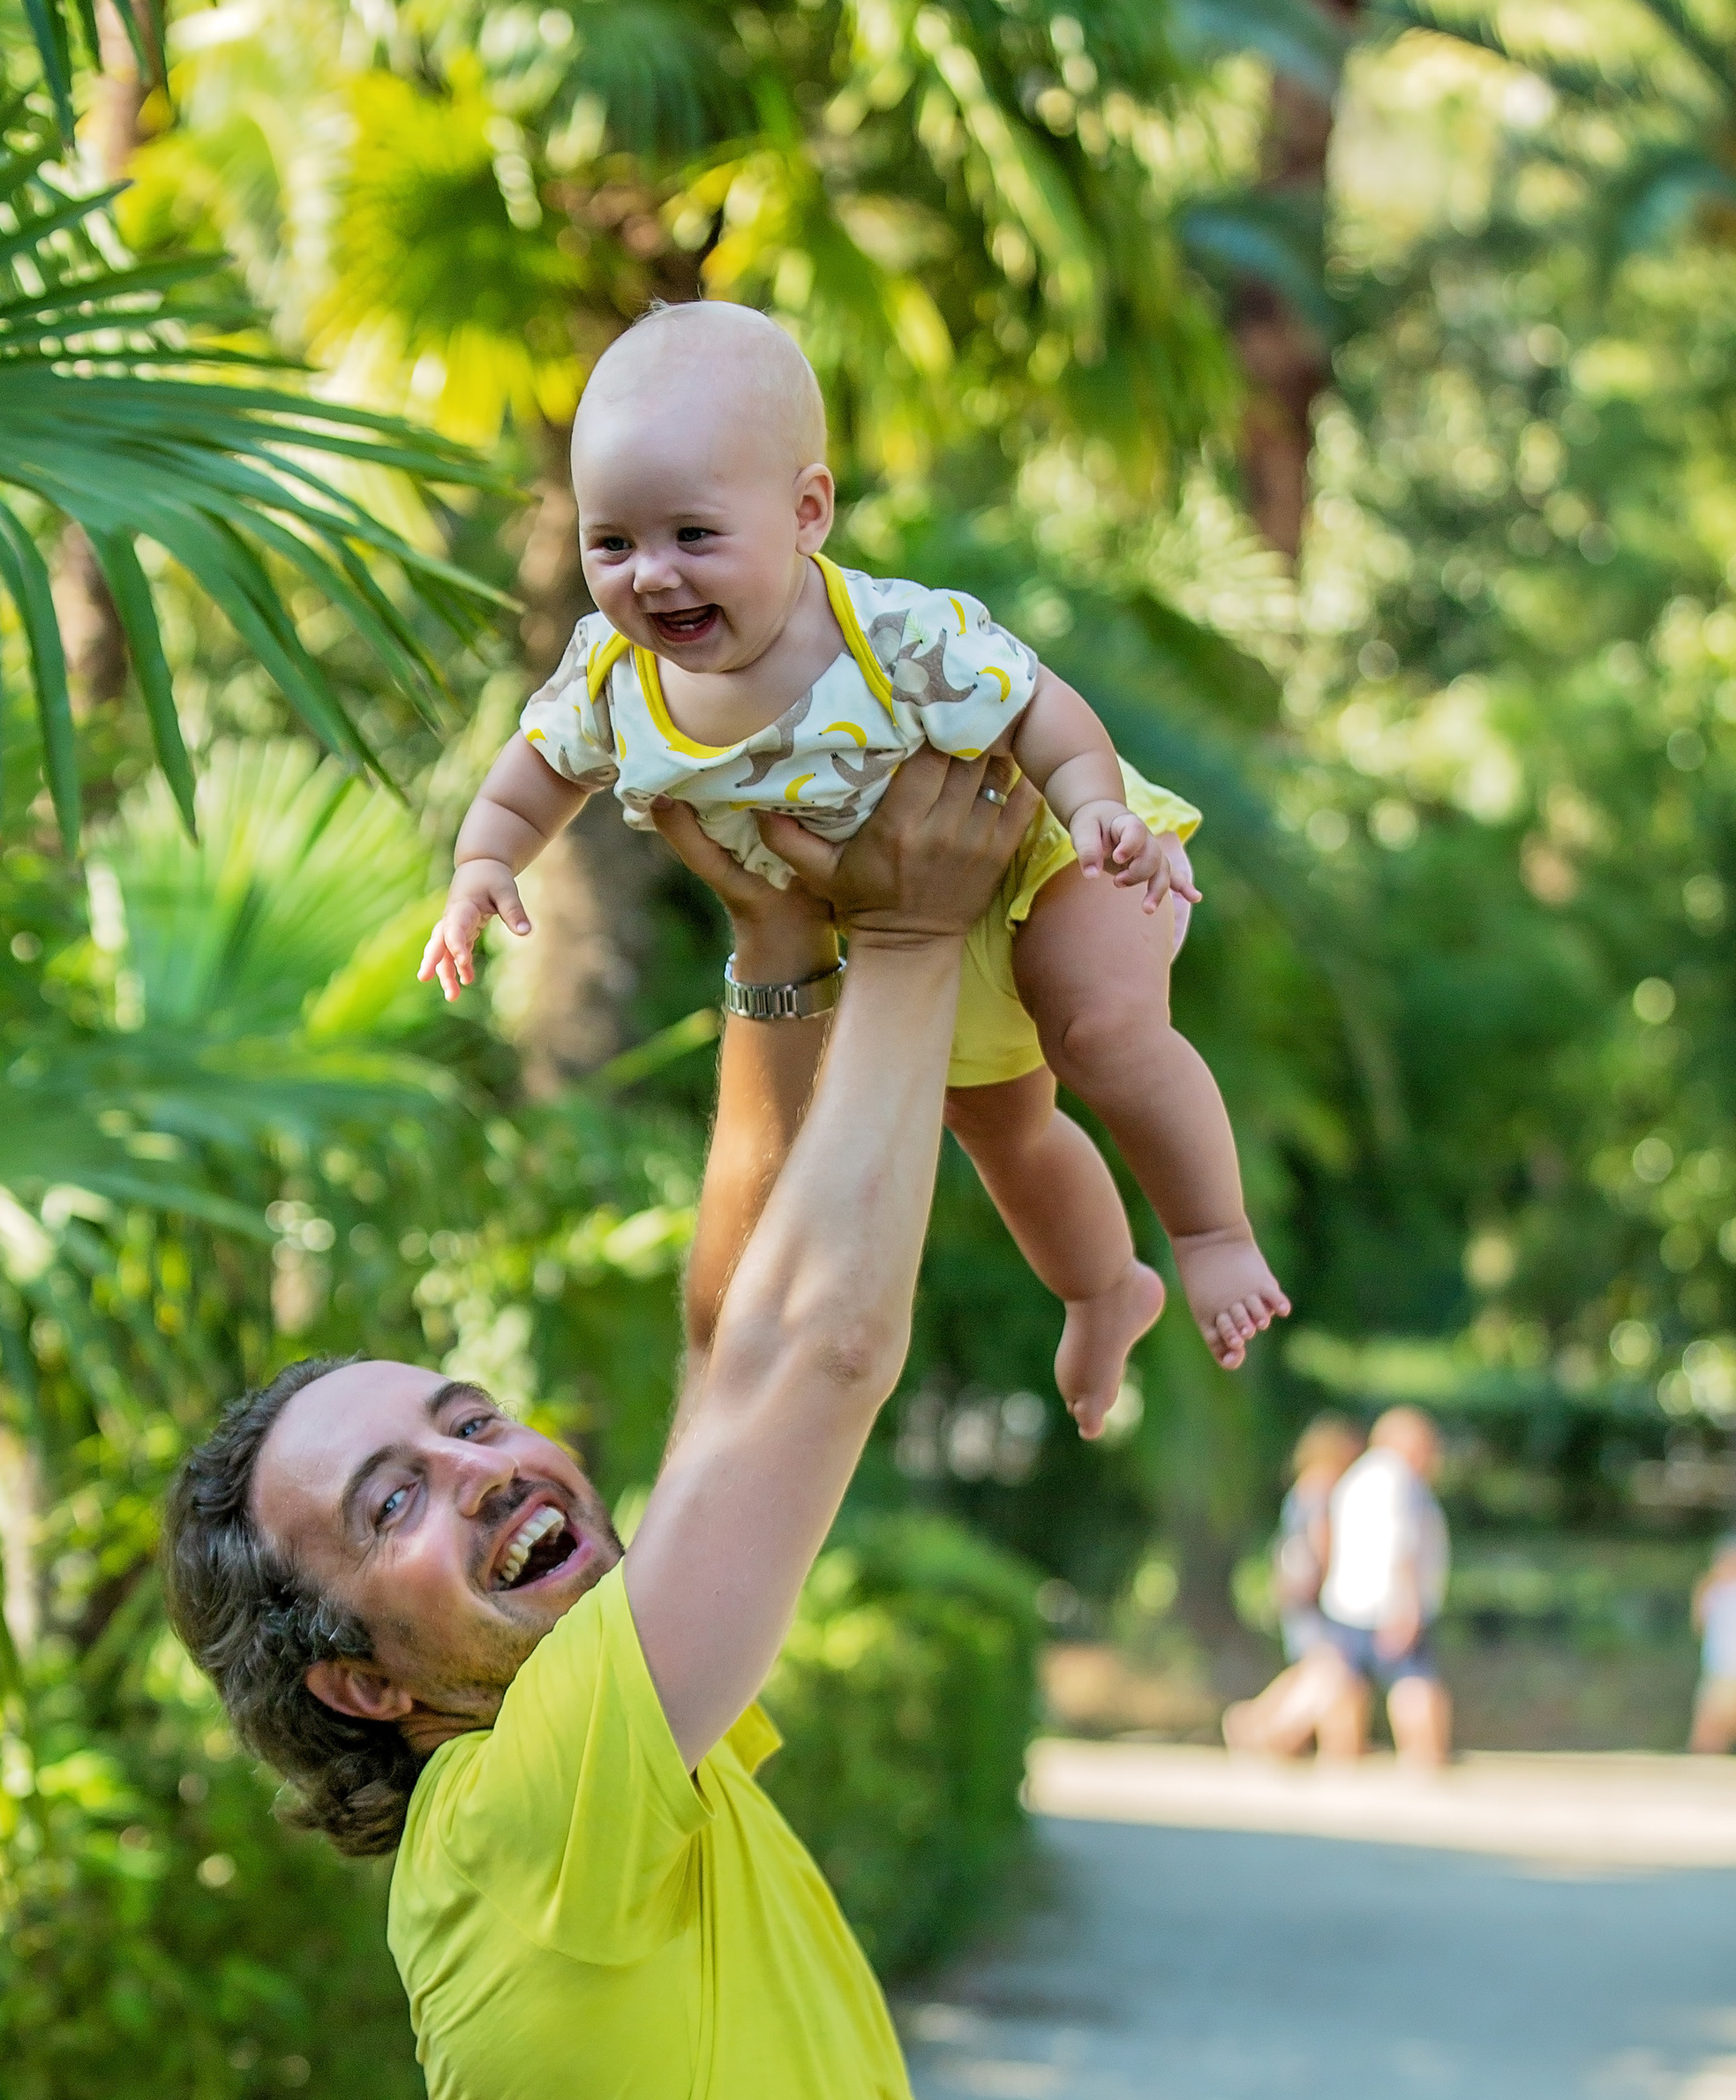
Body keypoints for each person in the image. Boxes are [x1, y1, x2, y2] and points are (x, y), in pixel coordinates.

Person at [163, 750, 1038, 2100]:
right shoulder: (526, 1798)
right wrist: (911, 943)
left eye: (459, 1419)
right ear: (360, 1674)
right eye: (389, 1507)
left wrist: (770, 967)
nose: (472, 1470)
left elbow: (732, 1347)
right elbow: (820, 1356)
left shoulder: (600, 1759)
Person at [417, 300, 1287, 1440]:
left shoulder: (894, 637)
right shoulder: (608, 678)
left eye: (693, 535)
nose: (653, 578)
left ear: (807, 513)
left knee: (1099, 1033)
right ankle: (1100, 1289)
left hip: (1043, 856)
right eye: (612, 544)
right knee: (1002, 1134)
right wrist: (484, 862)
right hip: (903, 927)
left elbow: (1042, 709)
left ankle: (1213, 1235)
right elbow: (532, 775)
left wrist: (1097, 808)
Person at [1315, 1405, 1454, 1767]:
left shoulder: (1354, 1478)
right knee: (1414, 1684)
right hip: (1389, 1604)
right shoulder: (1399, 1479)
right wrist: (1406, 1604)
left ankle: (1338, 1761)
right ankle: (1425, 1761)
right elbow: (1400, 1545)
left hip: (1345, 1603)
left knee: (1346, 1688)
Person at [1221, 1413, 1367, 1758]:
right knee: (1329, 1671)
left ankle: (1258, 1724)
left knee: (1316, 1669)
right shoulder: (1322, 1487)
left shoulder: (1302, 1487)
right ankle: (1266, 1731)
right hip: (1313, 1594)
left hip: (1297, 1591)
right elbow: (1322, 1544)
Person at [1690, 1537, 1736, 1754]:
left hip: (1724, 1670)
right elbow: (1700, 1624)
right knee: (1709, 1734)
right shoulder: (1713, 1590)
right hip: (1719, 1669)